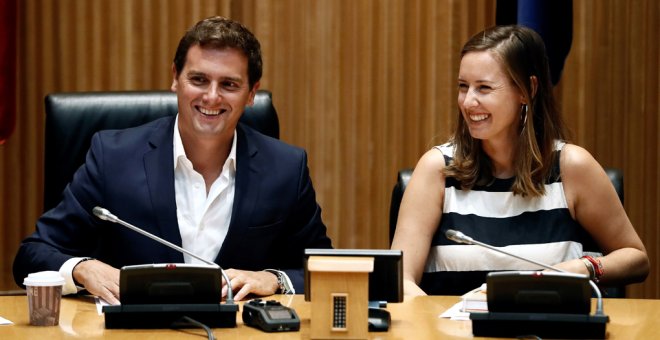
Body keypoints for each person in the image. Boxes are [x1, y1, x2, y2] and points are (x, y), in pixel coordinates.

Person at [13, 16, 332, 304]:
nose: (211, 97)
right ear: (175, 79)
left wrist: (275, 279)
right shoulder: (113, 157)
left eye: (229, 85)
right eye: (199, 80)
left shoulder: (286, 168)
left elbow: (328, 269)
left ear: (251, 94)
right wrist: (84, 268)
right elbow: (32, 254)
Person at [391, 25, 649, 296]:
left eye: (484, 88)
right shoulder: (438, 169)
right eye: (463, 87)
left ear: (526, 90)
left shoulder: (571, 167)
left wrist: (585, 267)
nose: (468, 102)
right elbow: (401, 280)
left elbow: (636, 259)